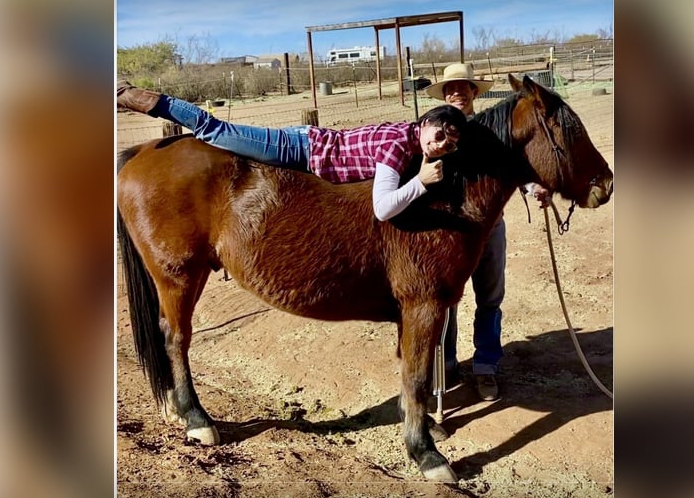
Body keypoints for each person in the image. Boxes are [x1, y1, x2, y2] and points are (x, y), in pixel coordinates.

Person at [117, 81, 465, 221]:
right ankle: (137, 98)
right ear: (426, 122)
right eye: (440, 133)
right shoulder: (398, 147)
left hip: (309, 140)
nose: (442, 144)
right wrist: (420, 181)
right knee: (214, 129)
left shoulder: (406, 132)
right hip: (299, 148)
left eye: (450, 143)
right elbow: (382, 208)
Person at [425, 63, 550, 401]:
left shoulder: (496, 131)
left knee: (490, 298)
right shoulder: (435, 132)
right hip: (449, 233)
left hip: (490, 230)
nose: (456, 92)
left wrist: (532, 187)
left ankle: (485, 366)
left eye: (463, 87)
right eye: (450, 88)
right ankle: (447, 365)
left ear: (474, 91)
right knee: (444, 303)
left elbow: (515, 168)